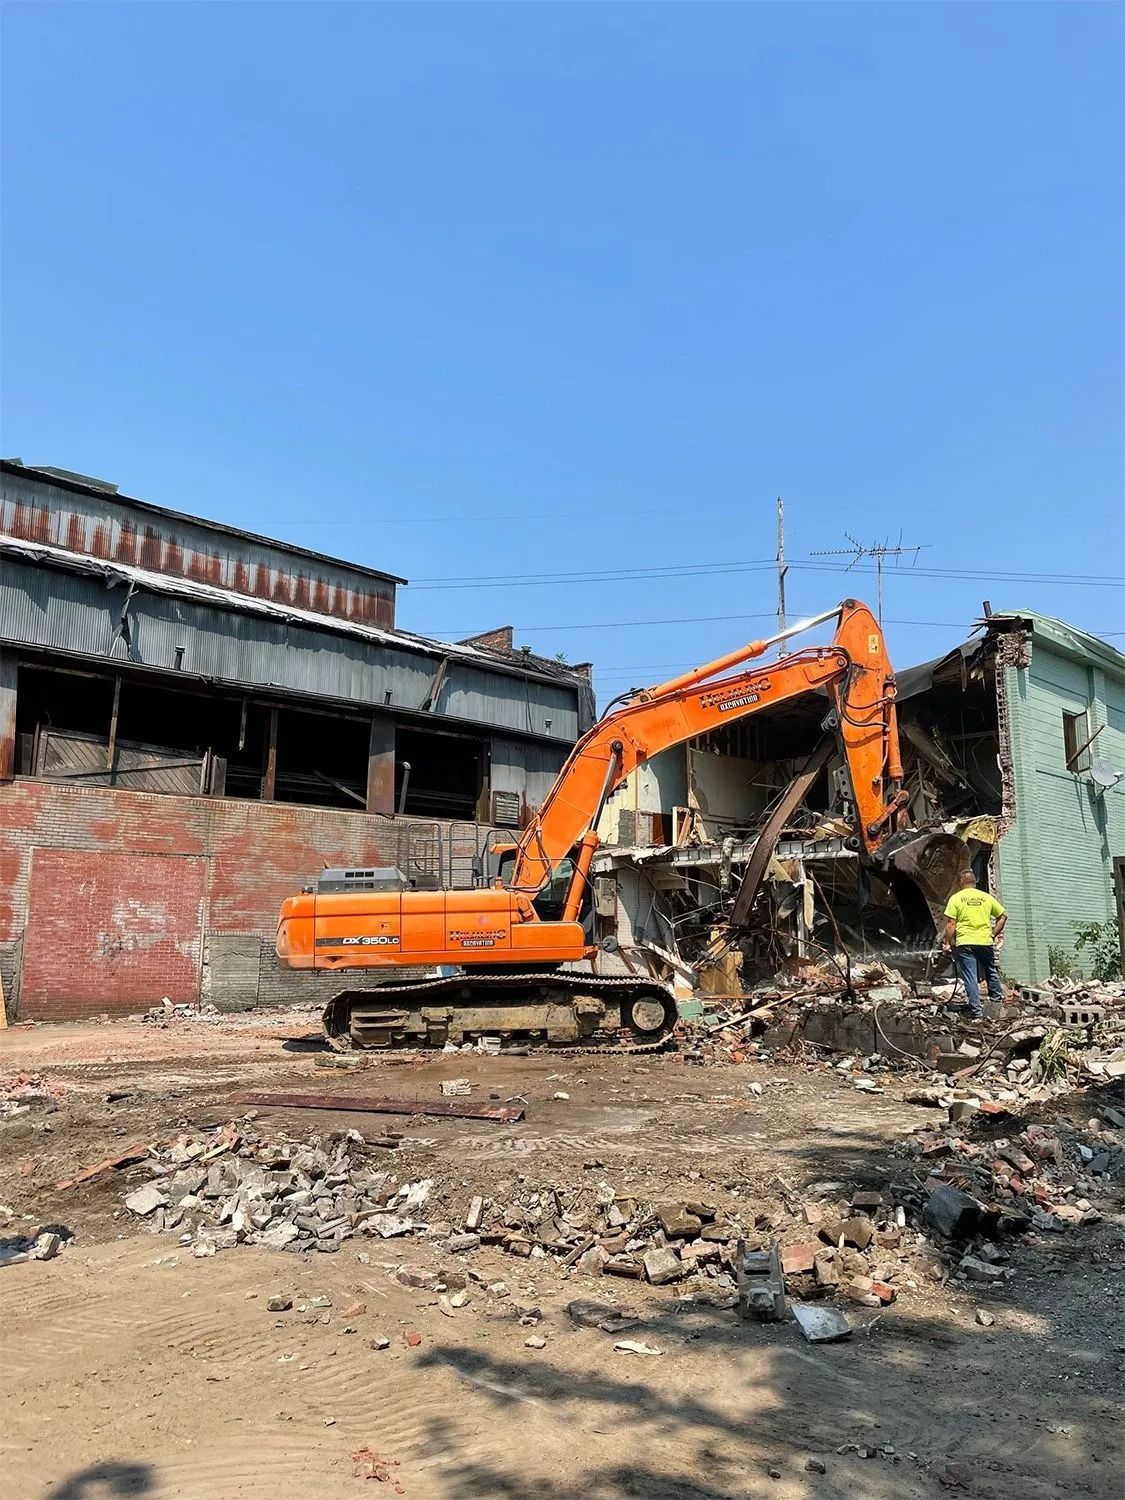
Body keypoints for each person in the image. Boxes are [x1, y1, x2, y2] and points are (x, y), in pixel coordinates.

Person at [942, 870, 1006, 1020]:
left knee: (971, 977)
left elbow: (951, 924)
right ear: (974, 882)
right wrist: (993, 934)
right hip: (985, 941)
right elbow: (1003, 916)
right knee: (991, 971)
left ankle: (977, 1014)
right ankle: (997, 1006)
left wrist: (946, 943)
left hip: (966, 943)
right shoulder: (986, 897)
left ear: (960, 882)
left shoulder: (956, 898)